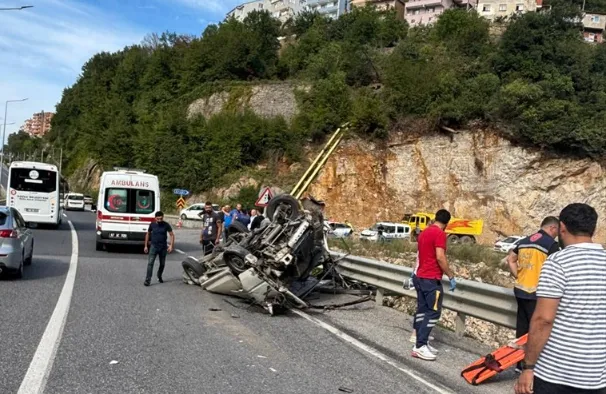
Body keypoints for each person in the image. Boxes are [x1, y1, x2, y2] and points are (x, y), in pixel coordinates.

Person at [515, 203, 606, 394]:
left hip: (555, 374)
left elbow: (543, 320)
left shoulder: (558, 262)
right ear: (594, 229)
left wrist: (528, 367)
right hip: (596, 376)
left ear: (562, 227)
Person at [507, 216, 560, 372]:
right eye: (557, 231)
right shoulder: (551, 244)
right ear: (552, 228)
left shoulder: (524, 241)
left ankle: (519, 364)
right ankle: (532, 366)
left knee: (522, 327)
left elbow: (511, 259)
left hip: (520, 289)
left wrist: (519, 275)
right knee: (537, 330)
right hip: (537, 292)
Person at [412, 209, 456, 361]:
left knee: (422, 310)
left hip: (419, 276)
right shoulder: (440, 234)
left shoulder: (424, 232)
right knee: (434, 312)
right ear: (447, 223)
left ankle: (418, 342)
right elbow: (440, 257)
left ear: (435, 218)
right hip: (431, 279)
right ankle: (420, 346)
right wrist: (450, 275)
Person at [144, 211, 174, 286]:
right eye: (158, 219)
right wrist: (146, 245)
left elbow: (172, 235)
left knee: (162, 264)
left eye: (161, 219)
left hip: (163, 247)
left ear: (163, 217)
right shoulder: (152, 225)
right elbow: (148, 234)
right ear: (155, 218)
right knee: (150, 263)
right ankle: (148, 280)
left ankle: (159, 275)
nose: (159, 220)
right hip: (154, 247)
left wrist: (171, 246)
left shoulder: (166, 225)